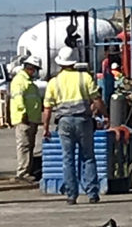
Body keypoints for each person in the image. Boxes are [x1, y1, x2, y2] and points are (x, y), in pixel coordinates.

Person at [42, 46, 107, 206]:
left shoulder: (53, 82)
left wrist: (45, 128)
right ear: (73, 62)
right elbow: (97, 99)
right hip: (83, 121)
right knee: (88, 157)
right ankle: (92, 193)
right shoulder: (84, 78)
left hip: (64, 122)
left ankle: (71, 196)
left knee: (68, 159)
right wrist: (105, 115)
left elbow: (47, 108)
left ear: (60, 63)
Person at [9, 54, 42, 183]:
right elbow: (18, 98)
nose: (35, 72)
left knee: (29, 146)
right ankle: (22, 172)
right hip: (24, 119)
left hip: (31, 119)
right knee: (24, 145)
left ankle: (27, 170)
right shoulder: (19, 81)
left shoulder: (29, 82)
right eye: (35, 69)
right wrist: (23, 113)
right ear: (29, 68)